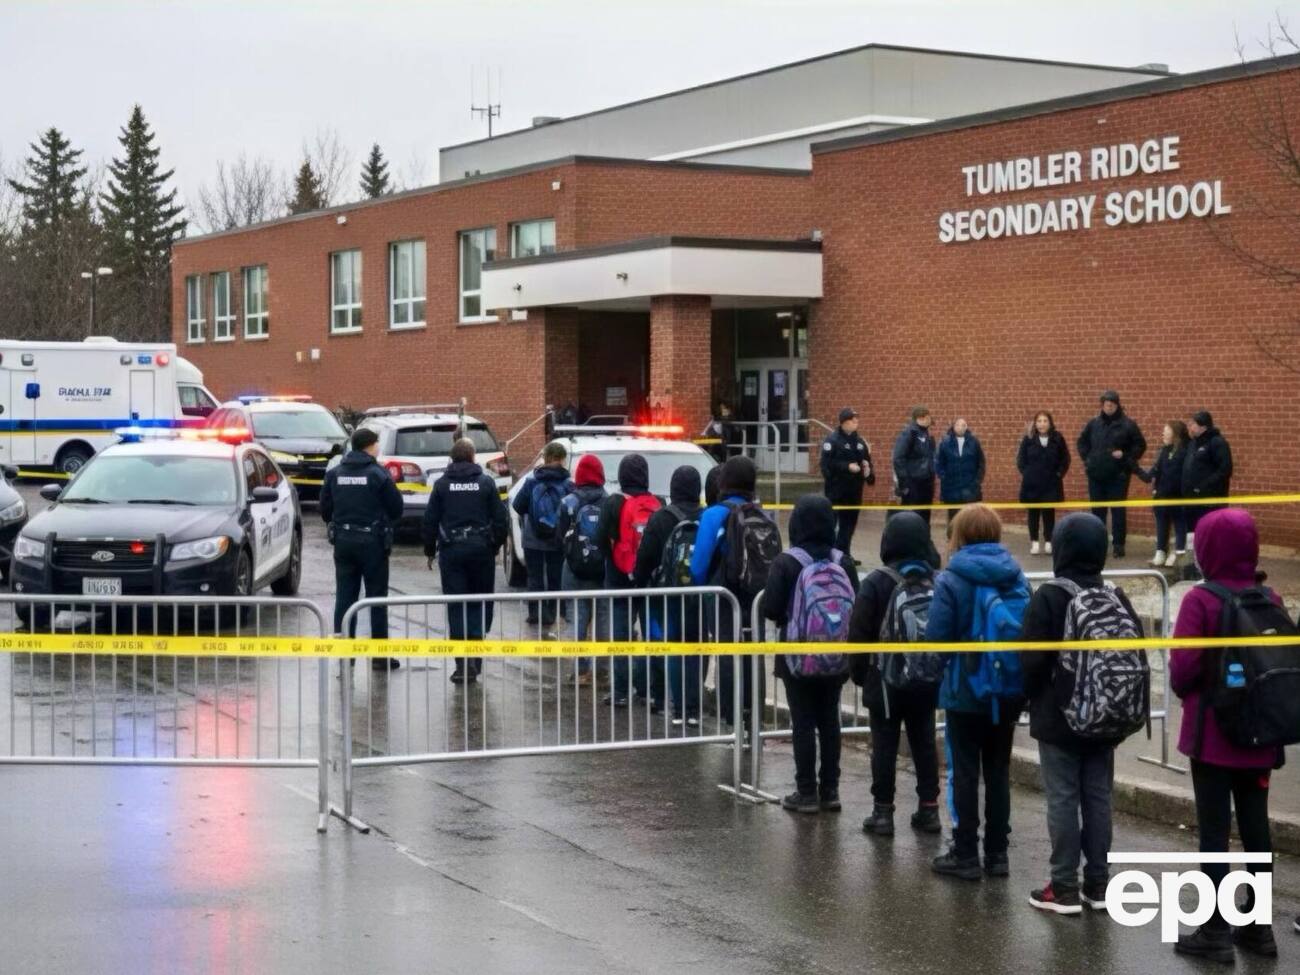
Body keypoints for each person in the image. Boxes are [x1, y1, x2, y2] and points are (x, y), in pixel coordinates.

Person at [1169, 509, 1282, 961]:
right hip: (1262, 733)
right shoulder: (1269, 595)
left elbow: (1182, 670)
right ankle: (1258, 926)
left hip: (1212, 736)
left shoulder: (1201, 600)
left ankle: (1214, 930)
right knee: (1257, 829)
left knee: (1214, 832)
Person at [1021, 513, 1143, 916]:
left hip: (1060, 718)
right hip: (1106, 718)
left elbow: (1032, 663)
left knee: (1062, 798)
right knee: (1098, 798)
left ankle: (1063, 886)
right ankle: (1098, 884)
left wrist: (1026, 700)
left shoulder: (1051, 596)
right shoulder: (1115, 595)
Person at [925, 504, 1028, 881]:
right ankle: (998, 854)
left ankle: (965, 852)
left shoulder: (951, 579)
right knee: (999, 770)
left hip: (965, 689)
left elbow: (936, 638)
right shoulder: (1017, 576)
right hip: (1008, 690)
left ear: (960, 536)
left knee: (964, 771)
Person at [849, 511, 943, 837]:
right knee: (924, 743)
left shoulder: (876, 582)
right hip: (925, 679)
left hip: (885, 681)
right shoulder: (936, 580)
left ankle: (883, 813)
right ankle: (929, 809)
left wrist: (860, 676)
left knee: (885, 746)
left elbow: (858, 634)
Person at [763, 495, 859, 813]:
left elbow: (772, 608)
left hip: (797, 657)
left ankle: (805, 792)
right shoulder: (842, 561)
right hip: (836, 655)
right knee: (830, 721)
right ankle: (830, 790)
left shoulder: (787, 562)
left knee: (802, 721)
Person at [690, 455, 771, 723]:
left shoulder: (714, 514)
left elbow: (699, 565)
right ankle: (753, 712)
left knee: (727, 652)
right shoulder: (761, 513)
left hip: (725, 596)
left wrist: (702, 588)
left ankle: (731, 714)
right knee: (754, 651)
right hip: (756, 595)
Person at [423, 437, 509, 683]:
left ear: (452, 459)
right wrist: (494, 545)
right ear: (473, 458)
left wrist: (430, 550)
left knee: (456, 605)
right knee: (480, 603)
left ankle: (462, 665)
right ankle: (475, 660)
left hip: (452, 551)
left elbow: (430, 520)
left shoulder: (441, 485)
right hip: (480, 550)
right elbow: (500, 519)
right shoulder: (486, 483)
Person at [320, 427, 405, 670]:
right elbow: (396, 508)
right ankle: (379, 656)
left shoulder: (335, 474)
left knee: (345, 597)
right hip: (373, 544)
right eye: (377, 443)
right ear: (370, 446)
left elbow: (325, 510)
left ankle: (345, 654)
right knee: (377, 598)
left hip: (344, 542)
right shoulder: (378, 474)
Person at [633, 465, 704, 725]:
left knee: (672, 647)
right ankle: (694, 710)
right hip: (700, 593)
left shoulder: (661, 518)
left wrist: (640, 584)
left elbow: (646, 558)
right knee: (696, 649)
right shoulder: (705, 517)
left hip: (667, 595)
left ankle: (676, 707)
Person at [595, 454, 663, 709]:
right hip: (649, 582)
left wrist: (616, 559)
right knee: (651, 637)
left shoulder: (613, 502)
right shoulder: (657, 502)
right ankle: (650, 692)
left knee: (621, 636)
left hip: (619, 579)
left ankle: (621, 691)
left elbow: (601, 538)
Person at [557, 453, 608, 684]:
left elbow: (561, 538)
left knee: (577, 618)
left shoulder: (568, 502)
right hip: (603, 569)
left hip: (574, 569)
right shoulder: (610, 502)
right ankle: (603, 669)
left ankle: (580, 671)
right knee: (603, 618)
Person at [1076, 390, 1146, 559]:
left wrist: (1125, 455)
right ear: (1102, 405)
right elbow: (1082, 442)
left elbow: (1140, 445)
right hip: (1096, 474)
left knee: (1118, 511)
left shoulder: (1128, 424)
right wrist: (1088, 460)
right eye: (1106, 404)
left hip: (1118, 475)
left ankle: (1118, 545)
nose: (1109, 407)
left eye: (1112, 404)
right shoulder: (1094, 423)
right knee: (1097, 512)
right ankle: (1098, 544)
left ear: (1117, 405)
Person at [513, 442, 572, 637]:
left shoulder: (532, 480)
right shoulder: (567, 484)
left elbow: (517, 505)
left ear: (545, 458)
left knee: (535, 576)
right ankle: (552, 613)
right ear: (562, 459)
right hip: (557, 538)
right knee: (556, 577)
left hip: (532, 538)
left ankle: (535, 613)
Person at [820, 406, 875, 556]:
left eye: (857, 419)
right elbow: (826, 465)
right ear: (844, 422)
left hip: (854, 491)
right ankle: (828, 553)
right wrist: (846, 467)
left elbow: (866, 462)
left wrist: (869, 475)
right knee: (832, 523)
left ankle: (844, 554)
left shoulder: (859, 442)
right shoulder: (832, 441)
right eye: (852, 419)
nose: (856, 421)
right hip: (837, 491)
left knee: (849, 524)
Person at [1136, 420, 1189, 568]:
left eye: (1166, 430)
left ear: (1175, 433)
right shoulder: (1164, 451)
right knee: (1161, 525)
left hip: (1178, 496)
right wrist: (1134, 467)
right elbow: (1154, 472)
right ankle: (1160, 552)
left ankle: (1178, 553)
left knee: (1180, 526)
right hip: (1161, 495)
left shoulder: (1184, 452)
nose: (1163, 433)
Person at [1016, 411, 1070, 556]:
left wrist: (1059, 474)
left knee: (1048, 513)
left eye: (1045, 421)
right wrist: (1028, 474)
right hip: (1032, 484)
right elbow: (1021, 461)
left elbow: (1065, 459)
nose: (1042, 424)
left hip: (1051, 483)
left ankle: (1049, 542)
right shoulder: (1028, 439)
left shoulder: (1058, 438)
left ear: (1050, 423)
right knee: (1033, 514)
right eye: (1039, 421)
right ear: (1035, 423)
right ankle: (1034, 542)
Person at [1182, 410, 1233, 547]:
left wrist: (1202, 487)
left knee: (1210, 532)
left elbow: (1225, 470)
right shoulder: (1193, 443)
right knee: (1192, 532)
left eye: (1193, 424)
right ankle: (1193, 560)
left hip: (1209, 500)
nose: (1190, 427)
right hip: (1191, 498)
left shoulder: (1217, 443)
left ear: (1203, 427)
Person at [935, 417, 986, 522]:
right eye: (958, 425)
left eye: (963, 425)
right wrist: (944, 476)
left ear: (966, 427)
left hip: (970, 489)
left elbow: (981, 463)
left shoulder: (974, 442)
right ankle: (953, 538)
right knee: (953, 520)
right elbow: (939, 463)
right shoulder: (945, 443)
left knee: (970, 520)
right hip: (951, 489)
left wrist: (977, 481)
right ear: (953, 427)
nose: (960, 428)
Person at [892, 406, 936, 525]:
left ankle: (925, 540)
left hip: (926, 483)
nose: (930, 421)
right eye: (928, 418)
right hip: (913, 484)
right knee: (912, 518)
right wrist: (904, 482)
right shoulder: (909, 433)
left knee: (925, 517)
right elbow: (898, 458)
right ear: (921, 417)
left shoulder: (927, 435)